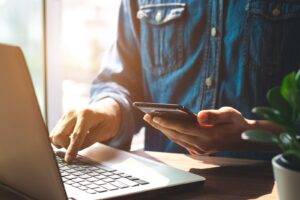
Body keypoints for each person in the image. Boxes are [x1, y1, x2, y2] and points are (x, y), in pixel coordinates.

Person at [50, 0, 300, 163]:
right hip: (161, 180)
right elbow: (124, 80)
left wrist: (249, 134)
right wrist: (107, 111)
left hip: (273, 184)